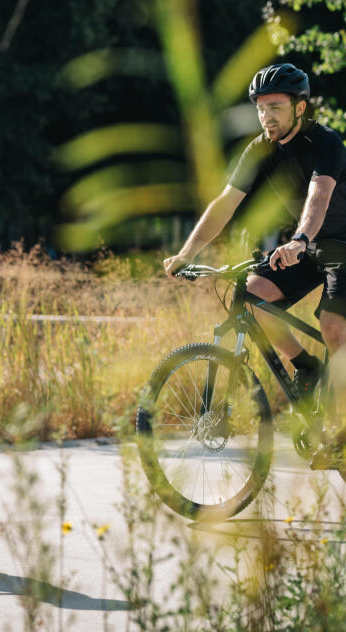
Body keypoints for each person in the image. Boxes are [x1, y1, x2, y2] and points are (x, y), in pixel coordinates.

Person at [163, 63, 346, 467]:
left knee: (335, 327)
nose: (267, 116)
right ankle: (307, 367)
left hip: (341, 245)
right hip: (309, 247)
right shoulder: (259, 149)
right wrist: (187, 253)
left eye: (276, 107)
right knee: (253, 292)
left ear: (300, 107)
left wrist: (299, 240)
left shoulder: (326, 142)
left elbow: (319, 197)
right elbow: (224, 205)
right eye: (261, 108)